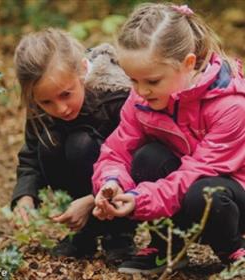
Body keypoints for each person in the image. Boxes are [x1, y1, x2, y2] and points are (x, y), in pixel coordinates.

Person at [91, 2, 245, 275]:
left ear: (187, 64)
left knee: (204, 194)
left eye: (152, 81)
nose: (141, 91)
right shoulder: (141, 99)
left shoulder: (230, 106)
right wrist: (111, 183)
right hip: (181, 189)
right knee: (149, 157)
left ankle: (234, 252)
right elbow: (116, 151)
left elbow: (196, 173)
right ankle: (167, 249)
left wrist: (140, 199)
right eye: (133, 80)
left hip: (232, 196)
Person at [11, 28, 136, 262]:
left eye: (66, 95)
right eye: (46, 101)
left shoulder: (114, 97)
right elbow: (30, 157)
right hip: (80, 193)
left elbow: (133, 161)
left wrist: (91, 201)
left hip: (119, 189)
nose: (60, 108)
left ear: (82, 70)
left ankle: (118, 235)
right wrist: (25, 197)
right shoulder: (40, 108)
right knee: (48, 145)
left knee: (81, 145)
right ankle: (84, 233)